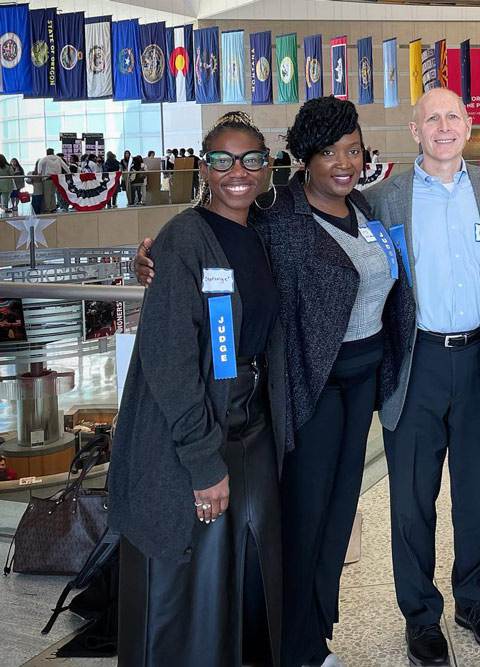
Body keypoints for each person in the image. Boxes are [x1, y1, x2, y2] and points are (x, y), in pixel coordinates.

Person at [134, 98, 416, 667]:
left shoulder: (364, 208)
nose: (344, 162)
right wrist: (148, 257)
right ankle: (299, 649)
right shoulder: (274, 218)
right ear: (300, 161)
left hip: (356, 385)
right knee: (303, 524)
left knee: (335, 520)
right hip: (306, 391)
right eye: (329, 152)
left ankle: (313, 636)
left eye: (353, 150)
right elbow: (206, 241)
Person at [109, 111, 285, 667]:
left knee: (241, 576)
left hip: (250, 428)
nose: (238, 171)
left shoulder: (261, 230)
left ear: (267, 167)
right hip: (190, 438)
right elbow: (169, 361)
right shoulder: (183, 240)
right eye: (222, 160)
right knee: (188, 588)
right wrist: (202, 462)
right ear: (203, 168)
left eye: (251, 159)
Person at [365, 87, 480, 667]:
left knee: (476, 493)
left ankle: (472, 601)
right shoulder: (384, 200)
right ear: (415, 131)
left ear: (470, 124)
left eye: (453, 115)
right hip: (416, 361)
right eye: (431, 118)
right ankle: (420, 615)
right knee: (412, 498)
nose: (444, 126)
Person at [34, 148, 69, 213]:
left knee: (47, 194)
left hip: (47, 177)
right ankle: (53, 207)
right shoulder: (58, 158)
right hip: (56, 178)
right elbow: (64, 165)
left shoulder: (45, 158)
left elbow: (40, 164)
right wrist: (69, 172)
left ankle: (48, 208)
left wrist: (39, 172)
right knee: (53, 193)